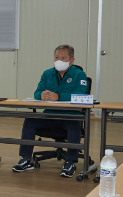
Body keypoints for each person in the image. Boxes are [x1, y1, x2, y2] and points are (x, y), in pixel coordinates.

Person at [12, 44, 88, 178]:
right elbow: (37, 92)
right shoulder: (47, 73)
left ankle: (70, 161)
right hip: (50, 114)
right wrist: (41, 95)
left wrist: (58, 97)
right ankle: (26, 158)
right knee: (30, 121)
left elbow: (82, 96)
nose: (59, 60)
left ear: (72, 60)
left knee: (74, 124)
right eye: (57, 57)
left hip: (70, 116)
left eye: (63, 58)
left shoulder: (79, 75)